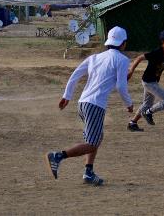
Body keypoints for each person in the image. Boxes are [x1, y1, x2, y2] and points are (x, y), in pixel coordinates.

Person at [46, 26, 133, 186]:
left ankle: (88, 172)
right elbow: (121, 86)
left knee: (96, 138)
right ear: (123, 44)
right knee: (92, 143)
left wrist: (67, 96)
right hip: (95, 105)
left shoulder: (95, 58)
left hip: (83, 102)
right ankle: (58, 156)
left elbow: (75, 75)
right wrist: (129, 104)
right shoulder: (122, 59)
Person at [126, 29, 164, 132]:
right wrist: (131, 70)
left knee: (146, 104)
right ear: (163, 41)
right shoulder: (157, 53)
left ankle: (132, 123)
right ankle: (148, 113)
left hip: (153, 81)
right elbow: (139, 58)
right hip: (148, 82)